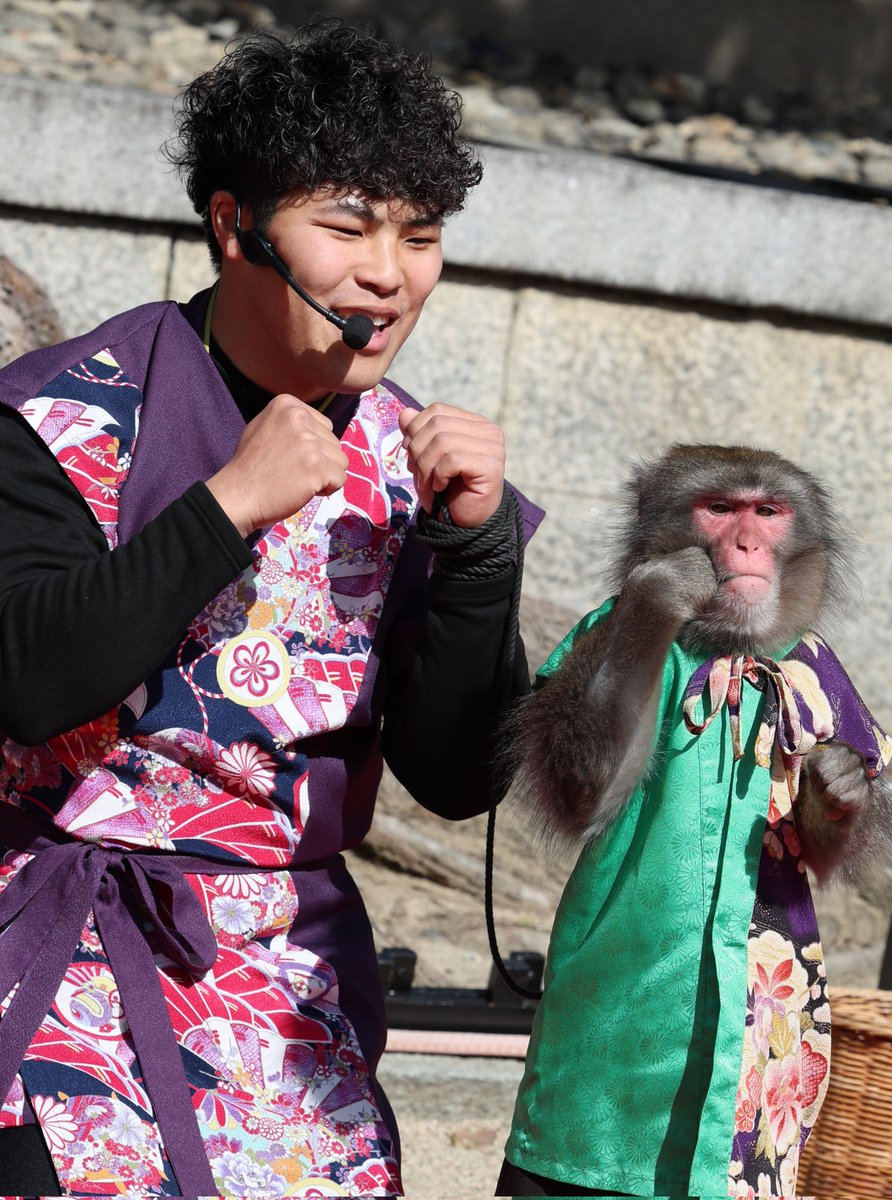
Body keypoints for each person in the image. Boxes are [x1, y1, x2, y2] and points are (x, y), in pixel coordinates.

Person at [0, 19, 541, 1196]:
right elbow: (31, 681)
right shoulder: (61, 418)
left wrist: (476, 554)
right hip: (53, 962)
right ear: (235, 225)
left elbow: (456, 777)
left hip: (284, 985)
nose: (388, 274)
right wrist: (224, 506)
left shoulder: (411, 464)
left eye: (422, 236)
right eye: (345, 228)